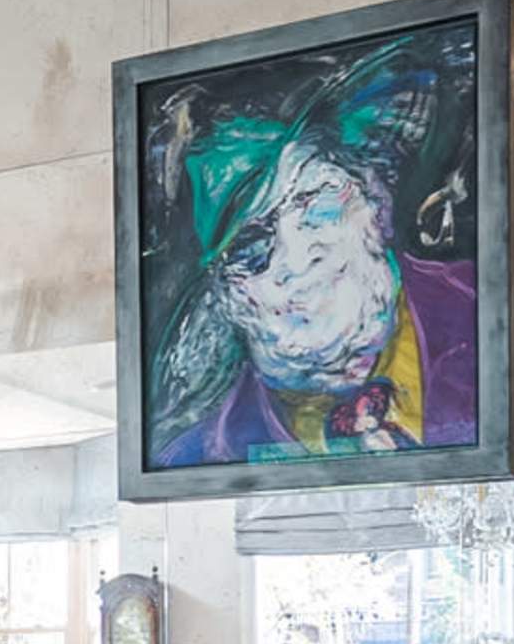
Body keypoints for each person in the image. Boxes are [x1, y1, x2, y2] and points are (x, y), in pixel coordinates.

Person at [141, 25, 482, 473]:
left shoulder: (475, 306)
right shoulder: (201, 452)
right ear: (227, 299)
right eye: (252, 245)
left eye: (317, 204)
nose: (300, 257)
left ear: (374, 198)